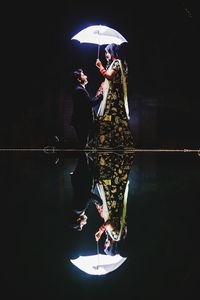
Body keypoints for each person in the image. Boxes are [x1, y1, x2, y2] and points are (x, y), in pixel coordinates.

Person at [95, 43, 134, 149]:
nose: (105, 55)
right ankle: (110, 142)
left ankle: (115, 143)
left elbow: (109, 76)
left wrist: (100, 67)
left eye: (107, 52)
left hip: (115, 97)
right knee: (110, 119)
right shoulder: (114, 63)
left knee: (114, 118)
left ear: (112, 52)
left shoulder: (117, 63)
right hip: (111, 96)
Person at [70, 68, 103, 148]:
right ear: (78, 79)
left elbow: (87, 103)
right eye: (83, 75)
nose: (86, 76)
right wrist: (100, 96)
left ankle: (84, 158)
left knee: (84, 144)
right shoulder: (79, 90)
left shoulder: (80, 89)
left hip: (82, 122)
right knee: (83, 145)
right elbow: (90, 104)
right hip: (81, 122)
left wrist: (97, 96)